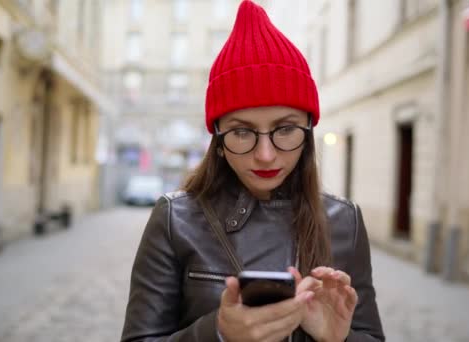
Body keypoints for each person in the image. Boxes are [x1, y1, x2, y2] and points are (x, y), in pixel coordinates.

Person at [121, 1, 384, 341]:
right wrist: (216, 333)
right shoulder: (175, 218)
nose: (265, 154)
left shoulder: (344, 220)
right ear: (217, 137)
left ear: (308, 131)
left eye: (285, 129)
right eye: (242, 132)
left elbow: (370, 335)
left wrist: (338, 339)